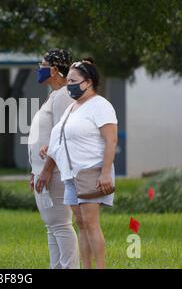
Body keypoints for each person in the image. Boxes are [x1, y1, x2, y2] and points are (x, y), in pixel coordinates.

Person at [38, 58, 118, 269]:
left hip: (91, 172)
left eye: (74, 80)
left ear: (88, 82)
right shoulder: (73, 107)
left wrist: (105, 173)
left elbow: (111, 140)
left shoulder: (100, 105)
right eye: (69, 80)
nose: (69, 84)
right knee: (81, 224)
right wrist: (49, 148)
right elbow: (62, 136)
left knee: (91, 224)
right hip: (71, 175)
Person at [28, 49, 79, 269]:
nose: (39, 68)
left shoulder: (65, 95)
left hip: (55, 172)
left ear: (55, 69)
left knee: (61, 225)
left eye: (43, 64)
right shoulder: (54, 95)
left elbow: (62, 137)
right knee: (52, 226)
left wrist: (47, 169)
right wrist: (35, 171)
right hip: (43, 170)